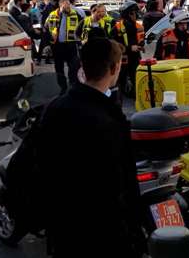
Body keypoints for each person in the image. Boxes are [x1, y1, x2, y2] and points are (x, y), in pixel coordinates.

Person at [36, 38, 144, 258]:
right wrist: (133, 235)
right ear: (115, 68)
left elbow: (40, 166)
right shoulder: (109, 119)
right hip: (102, 234)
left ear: (82, 66)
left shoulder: (55, 108)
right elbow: (119, 186)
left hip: (63, 229)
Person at [45, 0, 84, 93]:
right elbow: (45, 28)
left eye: (69, 5)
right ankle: (62, 87)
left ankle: (72, 86)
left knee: (73, 67)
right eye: (65, 6)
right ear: (60, 6)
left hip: (71, 45)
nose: (68, 7)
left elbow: (82, 28)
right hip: (57, 46)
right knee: (59, 68)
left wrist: (79, 41)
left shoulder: (75, 14)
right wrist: (48, 42)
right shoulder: (52, 15)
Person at [112, 1, 145, 100]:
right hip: (122, 58)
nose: (136, 15)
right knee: (120, 80)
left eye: (136, 12)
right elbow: (113, 45)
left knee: (136, 77)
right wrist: (129, 48)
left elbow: (141, 40)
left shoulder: (139, 26)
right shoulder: (117, 28)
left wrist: (141, 46)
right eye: (133, 12)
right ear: (127, 14)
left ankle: (135, 96)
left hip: (135, 57)